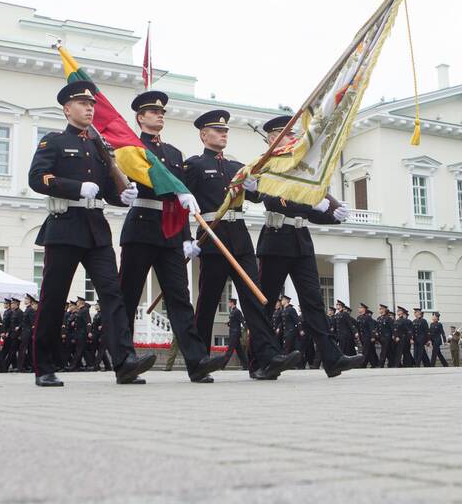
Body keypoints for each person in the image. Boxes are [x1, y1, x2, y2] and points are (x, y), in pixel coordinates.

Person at [28, 79, 155, 387]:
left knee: (113, 296)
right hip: (64, 226)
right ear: (67, 108)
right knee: (54, 298)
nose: (89, 108)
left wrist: (121, 196)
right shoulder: (54, 141)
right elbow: (37, 178)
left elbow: (108, 188)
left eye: (92, 105)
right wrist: (73, 187)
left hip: (96, 230)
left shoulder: (100, 148)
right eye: (83, 104)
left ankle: (124, 362)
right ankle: (44, 366)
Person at [117, 91, 227, 383]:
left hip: (169, 231)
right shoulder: (130, 147)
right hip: (141, 225)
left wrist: (187, 237)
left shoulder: (175, 153)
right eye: (153, 111)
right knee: (128, 296)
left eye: (162, 112)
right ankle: (124, 360)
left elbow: (182, 201)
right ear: (140, 117)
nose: (160, 115)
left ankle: (196, 361)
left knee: (180, 298)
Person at [183, 109, 301, 380]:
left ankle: (269, 356)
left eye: (226, 131)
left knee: (254, 299)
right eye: (218, 130)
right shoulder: (195, 165)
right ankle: (199, 361)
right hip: (213, 239)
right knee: (208, 300)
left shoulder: (238, 167)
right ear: (204, 135)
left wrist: (253, 184)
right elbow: (183, 203)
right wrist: (186, 238)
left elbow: (256, 197)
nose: (224, 134)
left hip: (240, 238)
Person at [250, 114, 363, 377]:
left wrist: (332, 214)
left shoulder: (303, 167)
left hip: (301, 242)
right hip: (275, 241)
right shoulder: (268, 166)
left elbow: (310, 213)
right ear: (272, 138)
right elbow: (275, 200)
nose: (292, 139)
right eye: (286, 134)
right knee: (265, 304)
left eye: (294, 134)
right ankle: (260, 362)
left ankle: (331, 358)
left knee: (313, 302)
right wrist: (311, 200)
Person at [224, 299, 248, 369]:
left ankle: (222, 365)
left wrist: (247, 329)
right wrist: (228, 323)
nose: (228, 303)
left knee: (230, 350)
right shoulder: (233, 311)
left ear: (232, 303)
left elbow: (242, 320)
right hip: (233, 332)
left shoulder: (237, 311)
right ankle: (246, 366)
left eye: (229, 302)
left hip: (235, 333)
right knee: (239, 351)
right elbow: (233, 322)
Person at [356, 303, 380, 368]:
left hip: (368, 337)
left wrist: (372, 336)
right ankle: (374, 364)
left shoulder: (368, 317)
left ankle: (362, 365)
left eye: (360, 307)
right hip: (362, 337)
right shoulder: (359, 317)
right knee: (369, 351)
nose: (359, 308)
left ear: (364, 309)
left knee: (365, 351)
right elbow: (358, 328)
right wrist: (358, 334)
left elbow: (371, 328)